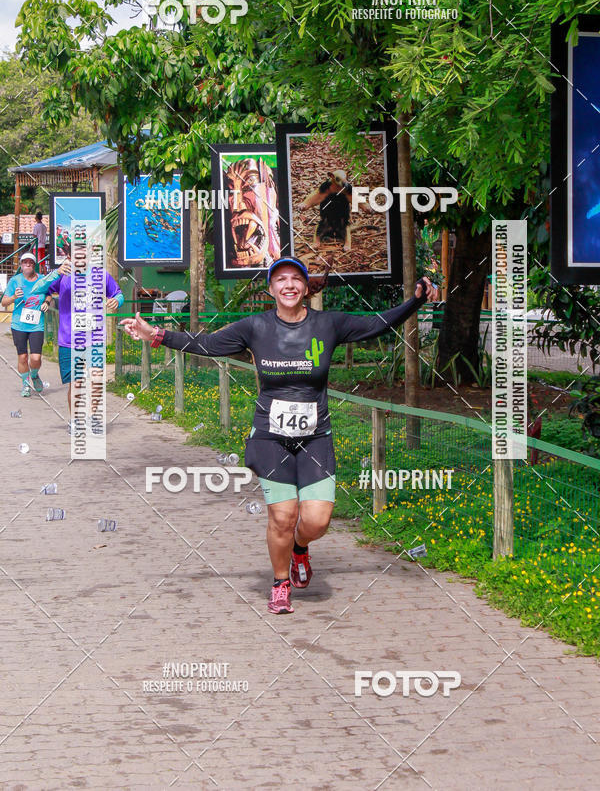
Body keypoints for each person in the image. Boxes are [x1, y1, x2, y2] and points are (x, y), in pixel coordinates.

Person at [120, 256, 437, 614]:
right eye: (280, 280)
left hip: (316, 436)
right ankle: (280, 582)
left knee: (316, 520)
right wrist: (157, 335)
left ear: (306, 287)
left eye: (295, 279)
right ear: (271, 289)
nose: (288, 285)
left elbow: (376, 324)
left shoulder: (328, 324)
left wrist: (416, 301)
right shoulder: (255, 327)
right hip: (271, 436)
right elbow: (206, 344)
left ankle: (300, 547)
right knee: (283, 517)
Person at [40, 256, 124, 432]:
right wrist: (54, 274)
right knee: (76, 382)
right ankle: (76, 420)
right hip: (70, 339)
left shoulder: (101, 275)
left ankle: (93, 418)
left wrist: (117, 301)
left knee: (96, 380)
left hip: (95, 337)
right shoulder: (63, 275)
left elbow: (118, 293)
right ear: (69, 256)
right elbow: (39, 289)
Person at [1, 252, 69, 396]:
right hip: (19, 324)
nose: (28, 264)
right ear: (21, 265)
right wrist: (14, 297)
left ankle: (34, 374)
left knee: (36, 358)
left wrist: (46, 302)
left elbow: (50, 293)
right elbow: (4, 302)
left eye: (30, 262)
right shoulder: (15, 281)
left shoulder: (42, 279)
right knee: (23, 357)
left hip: (36, 324)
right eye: (25, 262)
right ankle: (25, 384)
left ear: (34, 265)